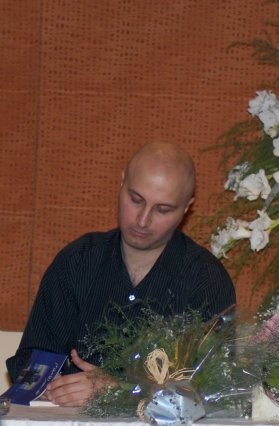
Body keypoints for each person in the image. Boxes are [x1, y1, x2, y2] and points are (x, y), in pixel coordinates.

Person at [6, 142, 236, 406]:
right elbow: (30, 361)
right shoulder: (78, 261)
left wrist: (124, 390)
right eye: (136, 200)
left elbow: (218, 388)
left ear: (187, 208)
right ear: (122, 183)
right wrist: (50, 385)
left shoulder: (206, 279)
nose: (142, 220)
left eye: (162, 209)